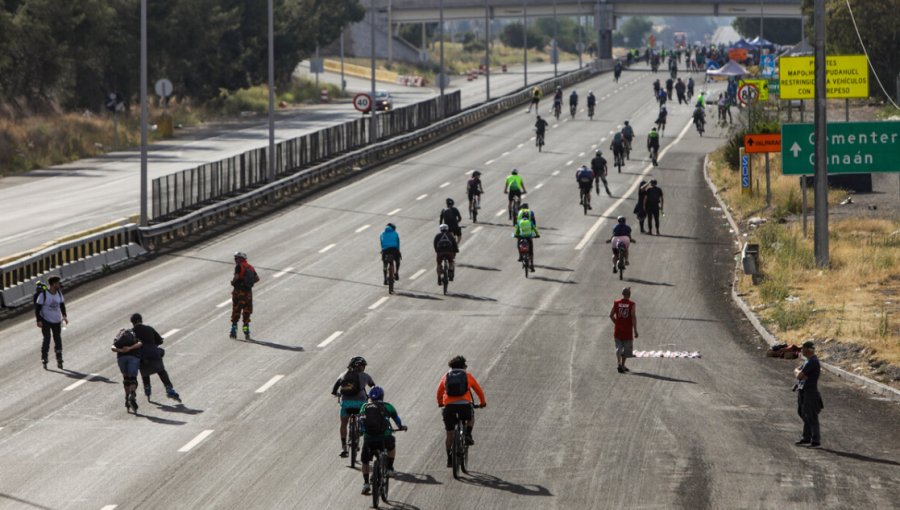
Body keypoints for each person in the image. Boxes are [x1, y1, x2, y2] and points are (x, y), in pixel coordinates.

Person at [436, 355, 486, 468]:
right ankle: (467, 434)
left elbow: (439, 392)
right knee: (471, 417)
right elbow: (479, 390)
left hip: (449, 407)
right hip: (464, 406)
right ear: (463, 366)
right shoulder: (467, 376)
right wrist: (482, 403)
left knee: (449, 434)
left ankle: (449, 459)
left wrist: (440, 403)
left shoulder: (446, 376)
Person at [359, 386, 407, 495]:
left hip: (369, 439)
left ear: (370, 397)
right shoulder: (387, 406)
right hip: (384, 437)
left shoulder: (364, 407)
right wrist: (400, 426)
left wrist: (362, 431)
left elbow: (360, 422)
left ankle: (366, 483)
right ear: (382, 396)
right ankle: (389, 468)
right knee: (391, 446)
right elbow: (397, 420)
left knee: (365, 461)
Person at [331, 356, 376, 458]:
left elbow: (334, 390)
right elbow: (373, 387)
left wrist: (338, 395)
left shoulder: (343, 375)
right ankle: (360, 428)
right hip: (360, 404)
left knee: (343, 424)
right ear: (361, 367)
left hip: (346, 404)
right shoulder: (365, 376)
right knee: (365, 417)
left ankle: (344, 447)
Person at [132, 313, 180, 402]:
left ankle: (147, 389)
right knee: (161, 371)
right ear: (141, 320)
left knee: (144, 371)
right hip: (154, 354)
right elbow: (160, 341)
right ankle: (169, 388)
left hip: (141, 357)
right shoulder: (149, 329)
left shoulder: (131, 332)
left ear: (132, 322)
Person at [794, 341, 824, 448]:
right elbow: (799, 372)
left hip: (810, 392)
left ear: (808, 349)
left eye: (803, 348)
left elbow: (799, 375)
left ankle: (815, 440)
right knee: (802, 413)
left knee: (811, 416)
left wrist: (798, 373)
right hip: (803, 390)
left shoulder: (813, 362)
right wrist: (798, 372)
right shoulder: (808, 361)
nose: (801, 350)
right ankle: (806, 437)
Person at [35, 276, 67, 369]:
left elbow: (62, 305)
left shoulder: (59, 294)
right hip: (45, 320)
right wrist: (38, 320)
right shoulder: (43, 295)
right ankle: (44, 357)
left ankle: (59, 358)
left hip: (56, 320)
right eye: (57, 283)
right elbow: (37, 309)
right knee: (47, 338)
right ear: (53, 284)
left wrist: (64, 316)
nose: (59, 285)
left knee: (57, 339)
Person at [112, 326, 142, 413]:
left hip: (121, 359)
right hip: (133, 358)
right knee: (133, 378)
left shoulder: (119, 337)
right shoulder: (134, 335)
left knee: (126, 378)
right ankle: (132, 393)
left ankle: (127, 398)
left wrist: (121, 351)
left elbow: (113, 347)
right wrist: (130, 348)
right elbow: (140, 344)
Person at [229, 252, 259, 340]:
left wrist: (233, 282)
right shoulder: (250, 267)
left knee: (236, 311)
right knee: (247, 312)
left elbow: (237, 277)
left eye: (236, 258)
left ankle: (233, 331)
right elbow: (257, 278)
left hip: (239, 292)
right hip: (248, 294)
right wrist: (249, 283)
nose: (235, 260)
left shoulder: (239, 266)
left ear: (240, 259)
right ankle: (246, 331)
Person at [609, 287, 638, 374]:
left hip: (618, 330)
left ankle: (619, 364)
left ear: (622, 294)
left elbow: (611, 315)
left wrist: (616, 323)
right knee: (626, 349)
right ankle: (622, 364)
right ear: (629, 295)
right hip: (627, 330)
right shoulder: (632, 304)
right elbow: (633, 317)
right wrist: (635, 330)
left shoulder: (617, 303)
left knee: (619, 347)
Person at [513, 207, 539, 271]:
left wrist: (516, 235)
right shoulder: (530, 222)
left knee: (519, 243)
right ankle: (532, 265)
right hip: (529, 237)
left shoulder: (520, 221)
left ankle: (520, 256)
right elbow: (535, 229)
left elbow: (517, 230)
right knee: (531, 251)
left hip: (521, 236)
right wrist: (537, 235)